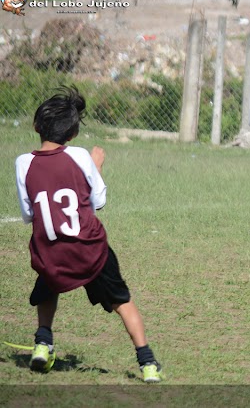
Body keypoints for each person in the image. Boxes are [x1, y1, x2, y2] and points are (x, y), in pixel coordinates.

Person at [15, 86, 163, 383]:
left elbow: (29, 214)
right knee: (122, 301)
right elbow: (98, 202)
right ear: (72, 135)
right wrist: (95, 167)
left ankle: (43, 344)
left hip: (52, 250)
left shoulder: (23, 163)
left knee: (48, 284)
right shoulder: (80, 156)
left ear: (35, 127)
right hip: (90, 251)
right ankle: (147, 363)